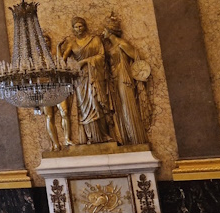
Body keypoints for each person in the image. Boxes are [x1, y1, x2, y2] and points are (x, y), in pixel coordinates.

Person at [57, 16, 112, 144]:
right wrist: (58, 48)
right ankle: (90, 136)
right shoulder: (72, 43)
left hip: (95, 75)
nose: (79, 29)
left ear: (85, 26)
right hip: (80, 79)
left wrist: (85, 61)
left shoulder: (95, 39)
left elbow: (102, 56)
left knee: (97, 102)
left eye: (80, 26)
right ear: (73, 29)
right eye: (76, 27)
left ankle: (103, 135)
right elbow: (61, 62)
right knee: (84, 108)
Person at [102, 13, 150, 145]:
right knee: (120, 107)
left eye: (104, 30)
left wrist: (140, 75)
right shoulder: (111, 47)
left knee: (127, 106)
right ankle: (125, 138)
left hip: (124, 77)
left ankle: (136, 139)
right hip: (115, 77)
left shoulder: (122, 44)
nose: (102, 32)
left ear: (110, 31)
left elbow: (137, 57)